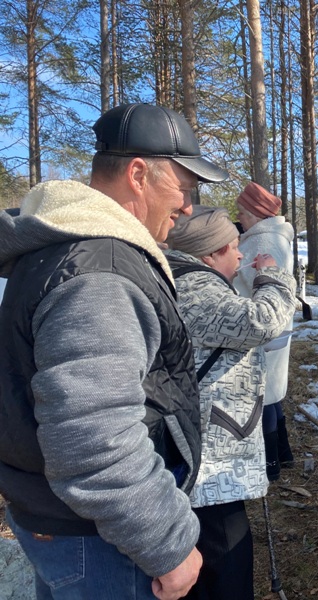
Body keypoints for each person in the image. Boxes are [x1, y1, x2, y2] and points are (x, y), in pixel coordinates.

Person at [0, 103, 229, 600]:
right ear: (139, 174)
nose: (189, 206)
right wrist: (167, 543)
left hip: (62, 519)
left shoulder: (61, 247)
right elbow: (94, 438)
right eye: (185, 187)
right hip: (101, 539)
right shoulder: (99, 270)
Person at [165, 205, 296, 600]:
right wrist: (272, 274)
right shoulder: (194, 290)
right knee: (225, 566)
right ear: (208, 255)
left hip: (209, 456)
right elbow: (263, 320)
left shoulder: (190, 284)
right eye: (231, 248)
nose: (240, 255)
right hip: (207, 466)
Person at [234, 181, 297, 481]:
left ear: (256, 214)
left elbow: (256, 284)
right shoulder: (272, 237)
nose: (240, 218)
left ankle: (270, 463)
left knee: (265, 395)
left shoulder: (264, 242)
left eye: (243, 213)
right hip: (274, 324)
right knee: (272, 392)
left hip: (263, 325)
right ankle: (282, 455)